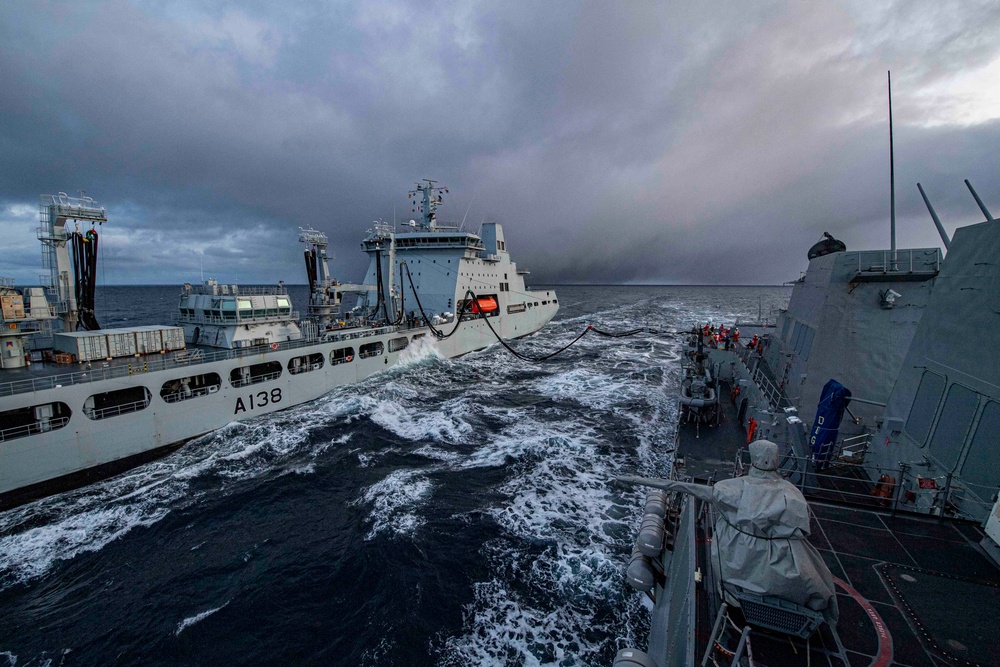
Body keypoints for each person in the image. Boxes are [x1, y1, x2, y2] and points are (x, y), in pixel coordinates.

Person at [618, 440, 838, 625]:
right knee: (814, 583)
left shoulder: (731, 488)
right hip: (785, 554)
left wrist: (634, 479)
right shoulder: (793, 494)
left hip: (741, 552)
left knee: (732, 573)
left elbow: (687, 488)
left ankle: (735, 596)